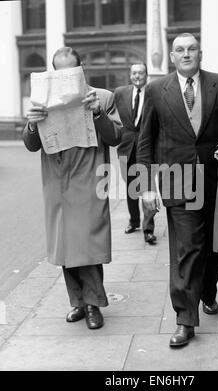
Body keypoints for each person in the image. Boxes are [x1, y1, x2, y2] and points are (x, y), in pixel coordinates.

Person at [137, 33, 218, 347]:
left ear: (200, 53)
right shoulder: (156, 90)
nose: (186, 54)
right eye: (180, 50)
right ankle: (185, 320)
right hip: (177, 180)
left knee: (213, 247)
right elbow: (145, 141)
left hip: (217, 180)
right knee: (187, 248)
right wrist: (146, 188)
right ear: (172, 57)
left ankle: (208, 292)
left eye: (191, 49)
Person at [23, 47, 122, 330]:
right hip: (57, 182)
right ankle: (77, 301)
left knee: (86, 245)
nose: (65, 76)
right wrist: (32, 123)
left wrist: (98, 113)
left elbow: (116, 137)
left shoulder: (102, 97)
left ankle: (94, 304)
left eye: (70, 70)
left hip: (89, 180)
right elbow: (31, 145)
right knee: (67, 246)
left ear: (82, 68)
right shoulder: (42, 101)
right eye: (59, 71)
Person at [114, 63, 157, 244]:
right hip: (126, 148)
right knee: (131, 188)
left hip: (147, 149)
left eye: (141, 73)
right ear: (130, 75)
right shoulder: (120, 93)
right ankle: (134, 221)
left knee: (147, 188)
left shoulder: (154, 94)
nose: (137, 76)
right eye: (134, 73)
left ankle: (148, 229)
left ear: (147, 75)